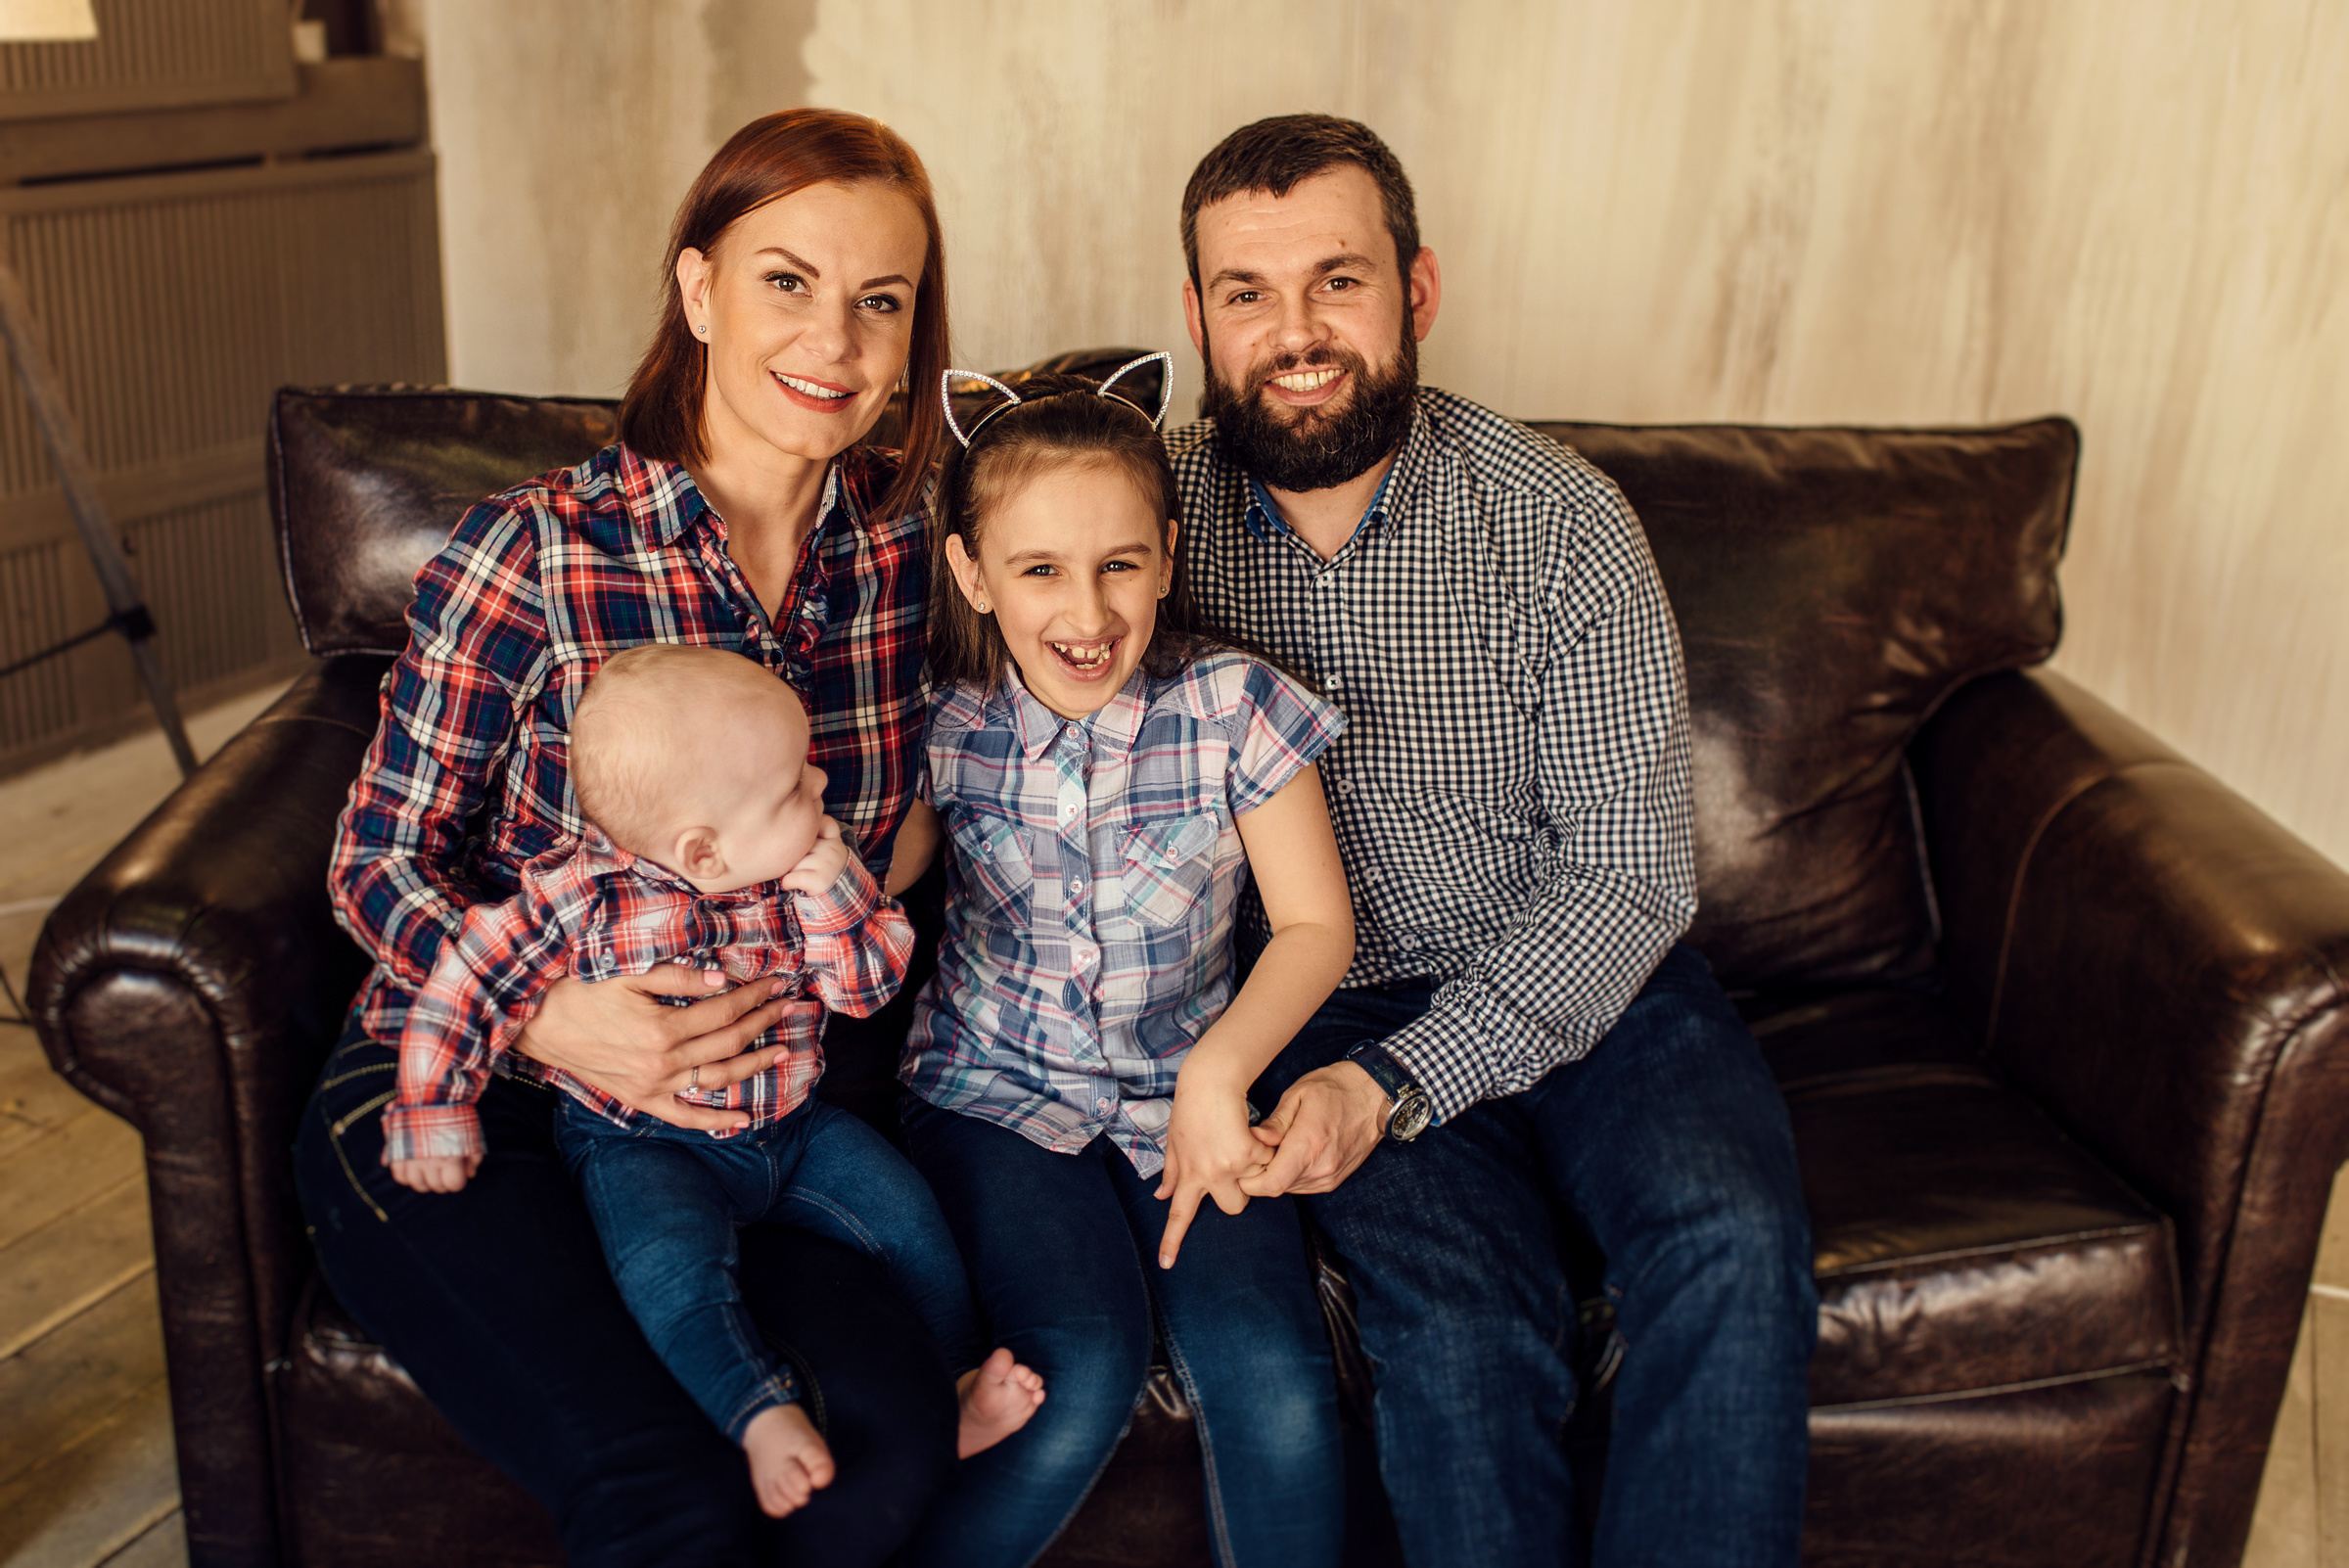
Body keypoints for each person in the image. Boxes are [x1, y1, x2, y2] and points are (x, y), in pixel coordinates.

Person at [296, 109, 962, 1567]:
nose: (835, 338)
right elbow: (375, 860)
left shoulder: (908, 557)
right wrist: (551, 1016)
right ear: (700, 289)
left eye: (881, 300)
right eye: (787, 280)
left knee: (893, 1454)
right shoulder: (536, 552)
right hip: (472, 1070)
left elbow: (913, 809)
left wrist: (866, 868)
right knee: (669, 1483)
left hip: (755, 1110)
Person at [1168, 115, 1819, 1567]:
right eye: (1245, 292)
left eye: (1338, 281)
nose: (1295, 333)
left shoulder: (1562, 522)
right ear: (1200, 313)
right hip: (1317, 1003)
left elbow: (1629, 873)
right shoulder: (1145, 522)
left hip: (1596, 984)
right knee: (1466, 1332)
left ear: (1419, 289)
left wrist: (1401, 1077)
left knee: (1729, 1241)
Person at [382, 645, 1043, 1519]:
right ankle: (756, 1412)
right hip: (641, 1145)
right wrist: (432, 1103)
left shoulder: (803, 876)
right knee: (672, 1273)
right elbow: (466, 983)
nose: (819, 789)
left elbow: (868, 985)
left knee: (911, 1226)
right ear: (703, 847)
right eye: (792, 788)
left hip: (797, 1134)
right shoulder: (576, 898)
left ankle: (954, 1384)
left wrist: (840, 896)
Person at [891, 364, 1353, 1568]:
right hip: (992, 1090)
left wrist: (1221, 1074)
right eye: (1040, 568)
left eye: (1120, 564)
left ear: (1168, 552)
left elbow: (1314, 926)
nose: (1086, 613)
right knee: (1073, 1366)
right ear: (973, 574)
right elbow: (870, 882)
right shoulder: (947, 721)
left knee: (1280, 1381)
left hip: (1184, 1100)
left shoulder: (1235, 707)